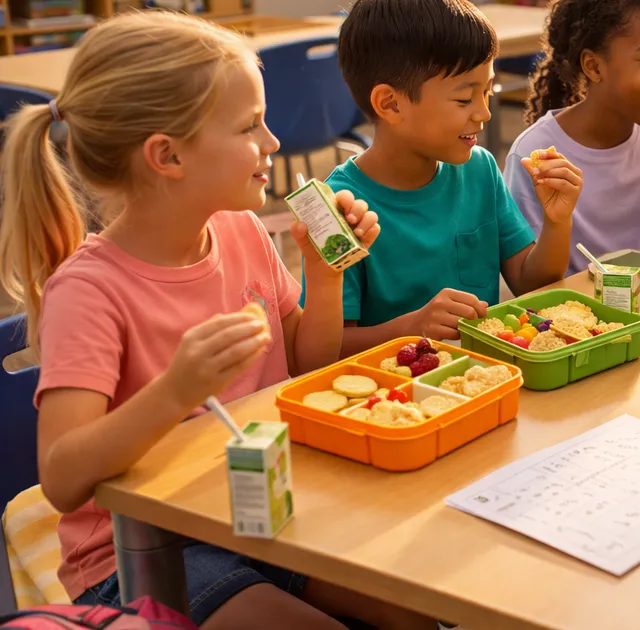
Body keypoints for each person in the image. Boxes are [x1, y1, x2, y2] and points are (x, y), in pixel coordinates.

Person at [0, 11, 432, 629]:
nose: (274, 143)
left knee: (410, 611)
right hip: (142, 551)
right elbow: (64, 478)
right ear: (167, 156)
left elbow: (308, 365)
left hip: (262, 511)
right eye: (249, 126)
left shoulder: (243, 231)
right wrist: (176, 391)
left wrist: (327, 273)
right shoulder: (89, 291)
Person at [320, 0, 582, 353]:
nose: (485, 113)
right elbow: (324, 351)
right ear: (391, 104)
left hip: (484, 381)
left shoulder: (480, 169)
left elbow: (531, 283)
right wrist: (411, 329)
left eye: (487, 91)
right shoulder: (337, 208)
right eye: (464, 99)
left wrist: (557, 222)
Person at [506, 0, 640, 275]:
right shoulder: (536, 154)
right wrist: (558, 223)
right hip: (579, 313)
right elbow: (528, 282)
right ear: (594, 67)